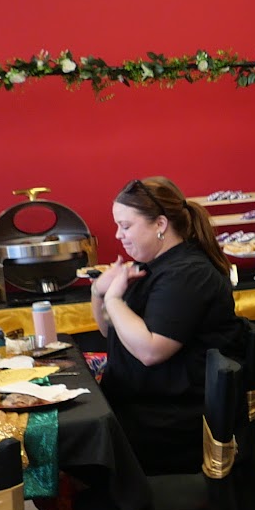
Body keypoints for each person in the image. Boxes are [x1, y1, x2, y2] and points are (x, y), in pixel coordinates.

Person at [93, 176, 241, 474]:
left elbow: (151, 351)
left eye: (125, 226)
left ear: (160, 224)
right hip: (143, 405)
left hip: (169, 423)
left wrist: (114, 300)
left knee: (69, 446)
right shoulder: (151, 266)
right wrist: (98, 291)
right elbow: (110, 330)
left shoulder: (187, 274)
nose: (118, 235)